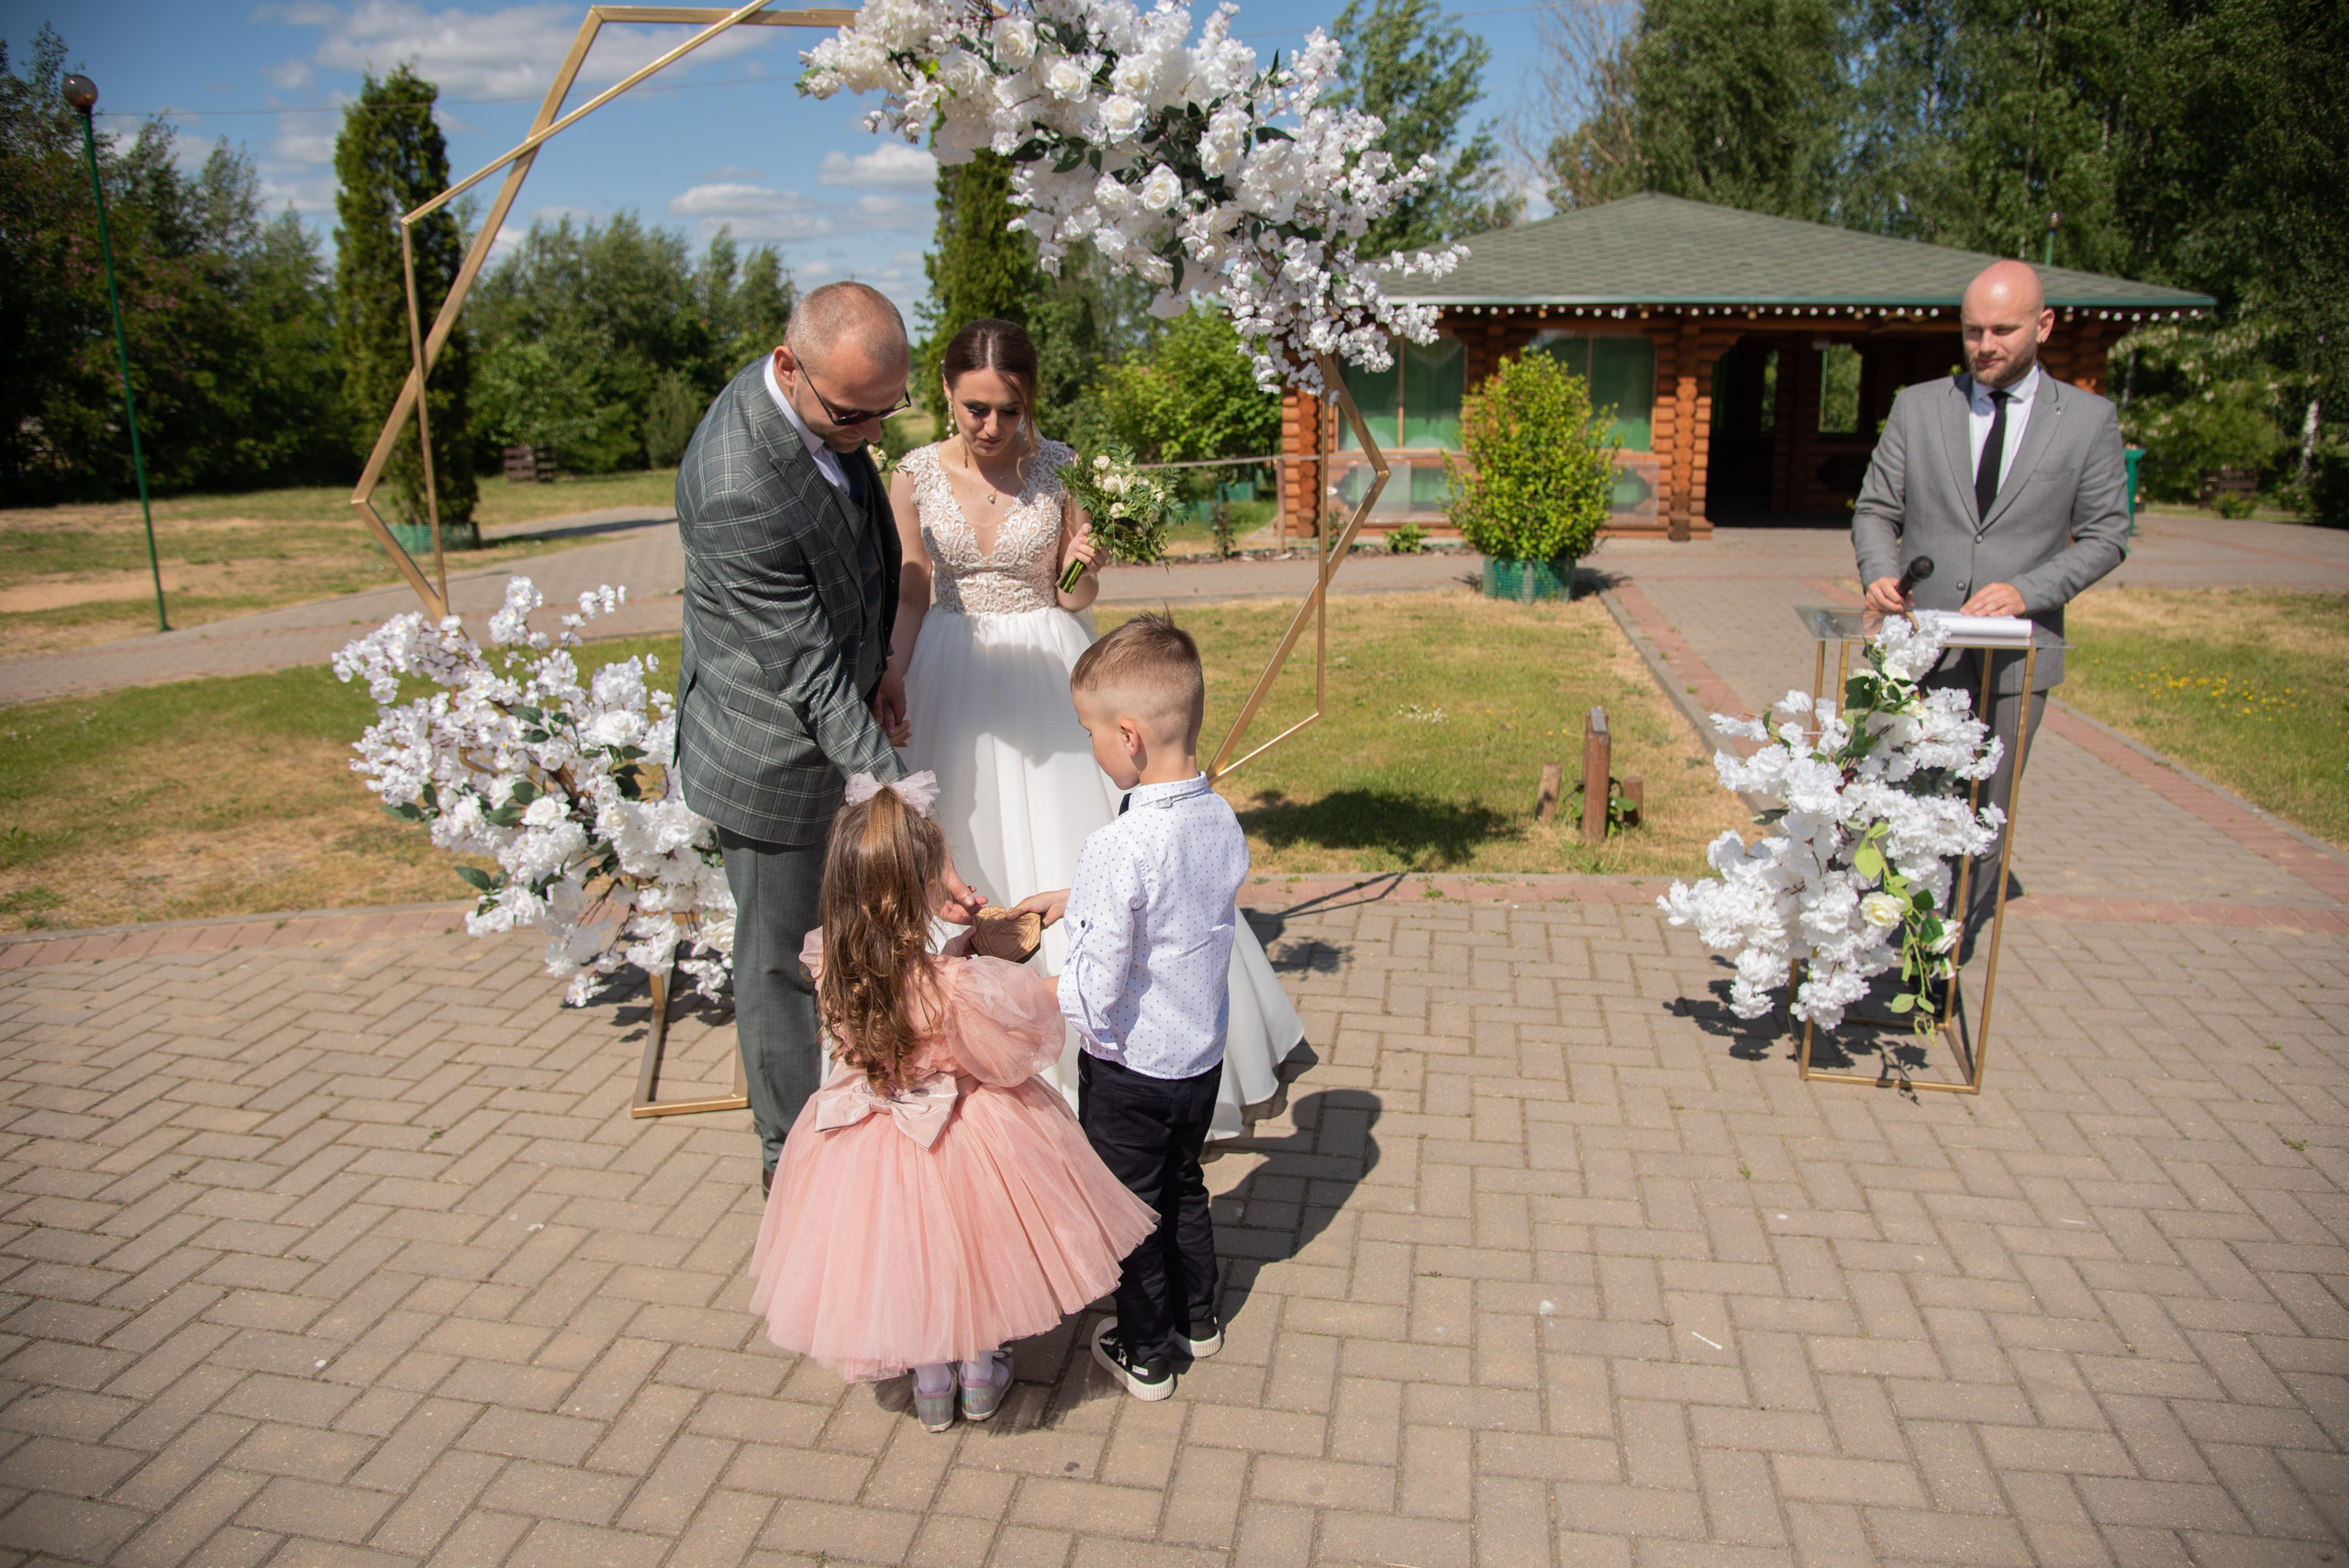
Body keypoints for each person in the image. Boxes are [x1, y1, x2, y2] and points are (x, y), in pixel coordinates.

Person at [884, 317, 1303, 1137]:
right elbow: (911, 590)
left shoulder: (1061, 467)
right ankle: (956, 1062)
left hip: (1049, 667)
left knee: (1078, 847)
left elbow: (1074, 596)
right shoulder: (912, 476)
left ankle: (1097, 1065)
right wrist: (894, 671)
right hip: (948, 668)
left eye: (1008, 409)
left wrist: (1083, 561)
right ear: (945, 391)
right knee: (953, 850)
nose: (992, 427)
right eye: (975, 408)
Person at [674, 282, 983, 1197]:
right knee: (777, 965)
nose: (872, 435)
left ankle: (863, 1120)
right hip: (766, 753)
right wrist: (909, 826)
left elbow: (862, 546)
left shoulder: (831, 402)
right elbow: (804, 675)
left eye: (888, 412)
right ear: (787, 368)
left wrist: (886, 656)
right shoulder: (734, 484)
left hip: (843, 700)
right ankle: (789, 1167)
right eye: (854, 415)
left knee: (855, 947)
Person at [746, 774, 1155, 1432]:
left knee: (909, 1255)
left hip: (871, 1130)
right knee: (974, 1251)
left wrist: (955, 955)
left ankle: (931, 1382)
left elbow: (902, 999)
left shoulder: (832, 963)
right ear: (916, 896)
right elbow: (1020, 1019)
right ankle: (980, 1373)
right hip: (964, 1129)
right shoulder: (953, 986)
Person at [1852, 259, 2130, 955]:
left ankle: (1946, 945)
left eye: (2002, 330)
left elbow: (2106, 536)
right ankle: (1893, 937)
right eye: (1973, 329)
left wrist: (2028, 591)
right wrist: (1881, 575)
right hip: (1921, 645)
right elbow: (1875, 511)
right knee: (1908, 796)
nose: (1984, 344)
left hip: (2018, 655)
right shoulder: (1918, 407)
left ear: (2044, 324)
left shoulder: (2090, 420)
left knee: (1984, 808)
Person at [1019, 614, 1243, 1401]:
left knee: (1131, 1206)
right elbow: (1172, 904)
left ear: (1129, 736)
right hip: (1200, 1058)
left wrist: (1020, 991)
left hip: (1131, 1070)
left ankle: (1146, 1349)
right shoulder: (1218, 814)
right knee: (1185, 1181)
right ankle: (1200, 1318)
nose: (1091, 748)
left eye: (1089, 733)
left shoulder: (1117, 844)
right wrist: (1075, 901)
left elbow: (1097, 987)